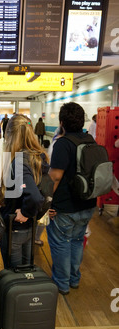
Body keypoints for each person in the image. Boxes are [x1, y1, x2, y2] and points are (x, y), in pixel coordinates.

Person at [47, 102, 96, 295]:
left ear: (61, 122)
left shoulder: (63, 143)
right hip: (88, 203)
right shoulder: (91, 140)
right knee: (76, 240)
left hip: (65, 208)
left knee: (61, 242)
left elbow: (55, 176)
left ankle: (62, 283)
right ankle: (74, 279)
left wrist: (47, 202)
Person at [0, 114, 48, 268]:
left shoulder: (19, 160)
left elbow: (33, 195)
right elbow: (47, 189)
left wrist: (25, 213)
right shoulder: (39, 156)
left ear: (10, 135)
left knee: (14, 275)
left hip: (15, 228)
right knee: (25, 273)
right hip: (29, 228)